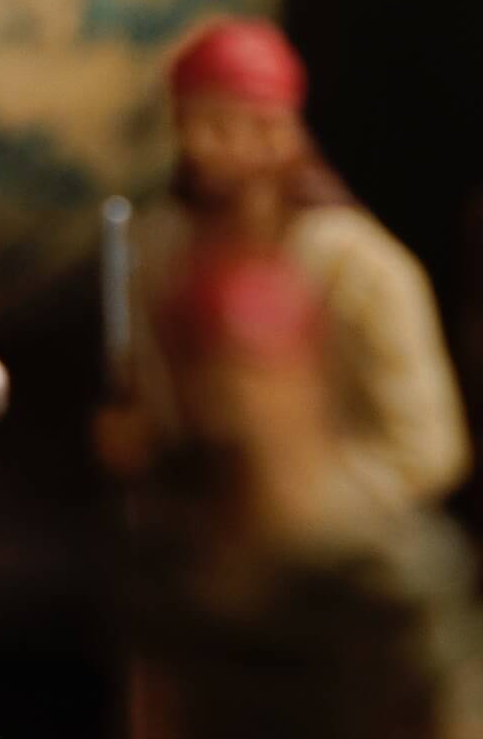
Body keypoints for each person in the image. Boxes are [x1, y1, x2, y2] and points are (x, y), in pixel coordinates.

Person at [102, 17, 467, 511]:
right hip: (196, 533)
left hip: (329, 534)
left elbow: (426, 449)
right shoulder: (157, 250)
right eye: (186, 123)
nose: (196, 145)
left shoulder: (361, 269)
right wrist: (145, 445)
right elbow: (161, 408)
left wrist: (295, 501)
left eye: (219, 125)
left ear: (277, 133)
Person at [124, 247, 483, 739]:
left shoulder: (393, 570)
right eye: (205, 368)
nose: (225, 398)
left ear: (309, 375)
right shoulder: (170, 563)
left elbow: (455, 718)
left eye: (251, 368)